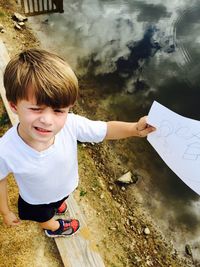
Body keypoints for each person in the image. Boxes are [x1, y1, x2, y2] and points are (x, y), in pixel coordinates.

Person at [0, 49, 155, 238]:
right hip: (35, 200)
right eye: (36, 109)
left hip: (65, 187)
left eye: (58, 111)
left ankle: (57, 205)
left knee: (58, 202)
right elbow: (0, 178)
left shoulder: (71, 124)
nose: (47, 120)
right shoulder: (6, 150)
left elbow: (105, 129)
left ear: (68, 108)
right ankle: (53, 227)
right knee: (42, 216)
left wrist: (133, 129)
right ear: (14, 106)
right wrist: (6, 211)